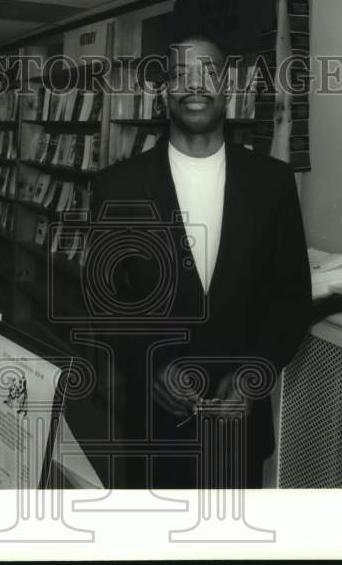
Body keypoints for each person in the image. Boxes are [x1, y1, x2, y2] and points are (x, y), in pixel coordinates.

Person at [85, 35, 312, 489]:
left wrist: (256, 372)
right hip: (155, 423)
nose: (195, 84)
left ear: (228, 88)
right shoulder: (118, 186)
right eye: (180, 74)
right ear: (164, 90)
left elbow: (292, 301)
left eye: (208, 72)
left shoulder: (273, 182)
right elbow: (104, 302)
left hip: (238, 424)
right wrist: (149, 365)